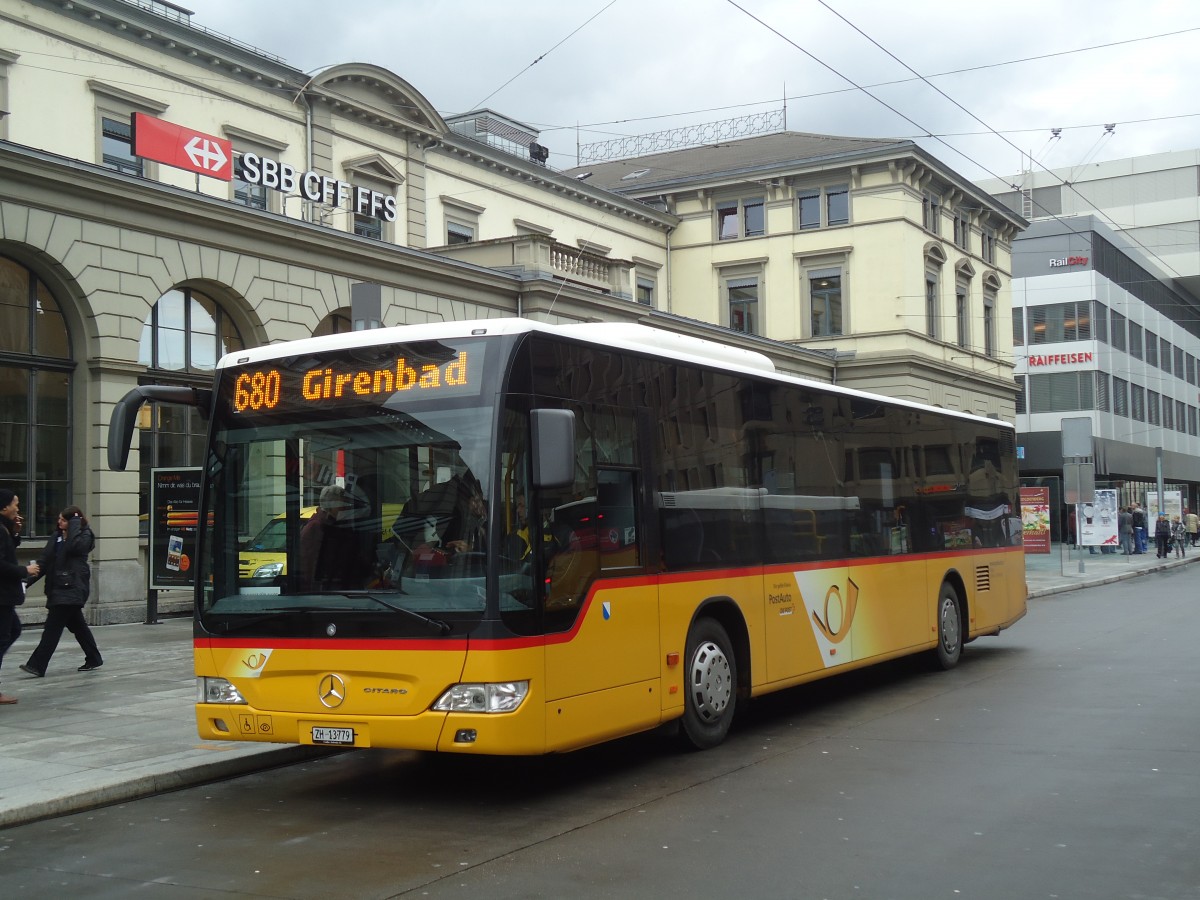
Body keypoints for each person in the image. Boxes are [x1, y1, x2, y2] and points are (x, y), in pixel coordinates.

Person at [19, 506, 102, 676]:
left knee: (52, 628)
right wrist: (25, 581)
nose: (59, 522)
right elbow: (44, 561)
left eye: (63, 520)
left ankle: (37, 665)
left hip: (72, 588)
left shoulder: (85, 535)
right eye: (59, 519)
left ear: (73, 521)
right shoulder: (56, 537)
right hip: (57, 587)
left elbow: (74, 548)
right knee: (78, 627)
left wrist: (74, 526)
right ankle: (94, 658)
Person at [0, 489, 41, 704]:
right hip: (2, 596)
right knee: (3, 637)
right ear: (4, 507)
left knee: (13, 631)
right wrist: (25, 571)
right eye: (15, 504)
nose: (17, 507)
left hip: (5, 596)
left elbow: (7, 550)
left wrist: (15, 532)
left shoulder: (4, 528)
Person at [298, 485, 355, 590]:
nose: (345, 508)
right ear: (331, 504)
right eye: (341, 504)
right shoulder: (317, 526)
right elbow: (307, 562)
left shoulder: (336, 525)